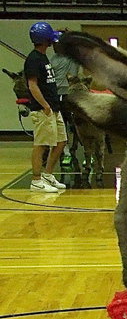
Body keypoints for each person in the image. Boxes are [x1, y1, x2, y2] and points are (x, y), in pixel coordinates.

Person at [24, 21, 67, 193]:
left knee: (61, 142)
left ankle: (47, 175)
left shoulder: (43, 57)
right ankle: (36, 180)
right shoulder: (33, 59)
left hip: (53, 108)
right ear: (44, 40)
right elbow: (32, 85)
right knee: (41, 144)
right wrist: (45, 105)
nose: (52, 41)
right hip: (43, 109)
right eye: (50, 38)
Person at [51, 31, 82, 166]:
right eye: (53, 44)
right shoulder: (53, 59)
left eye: (57, 43)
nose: (55, 46)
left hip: (70, 94)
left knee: (77, 124)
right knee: (61, 124)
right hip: (57, 94)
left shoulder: (73, 57)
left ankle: (86, 150)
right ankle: (66, 151)